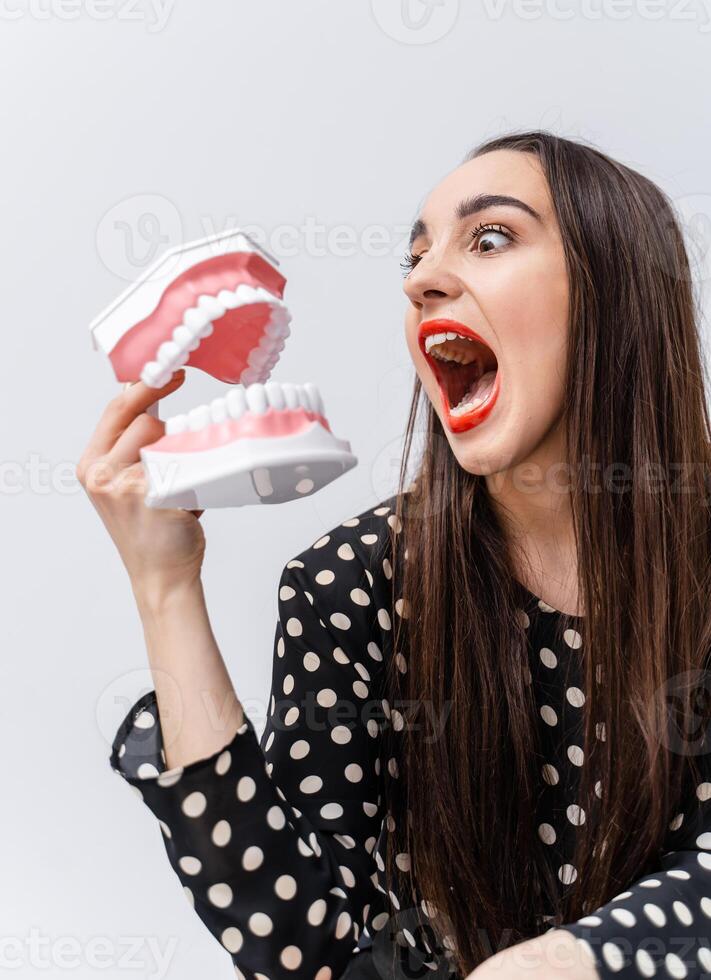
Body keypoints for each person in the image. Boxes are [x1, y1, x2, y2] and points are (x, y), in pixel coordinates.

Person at [78, 130, 711, 980]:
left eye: (489, 239)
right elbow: (307, 948)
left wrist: (567, 963)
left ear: (615, 290)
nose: (421, 279)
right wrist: (164, 585)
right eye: (413, 259)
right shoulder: (349, 584)